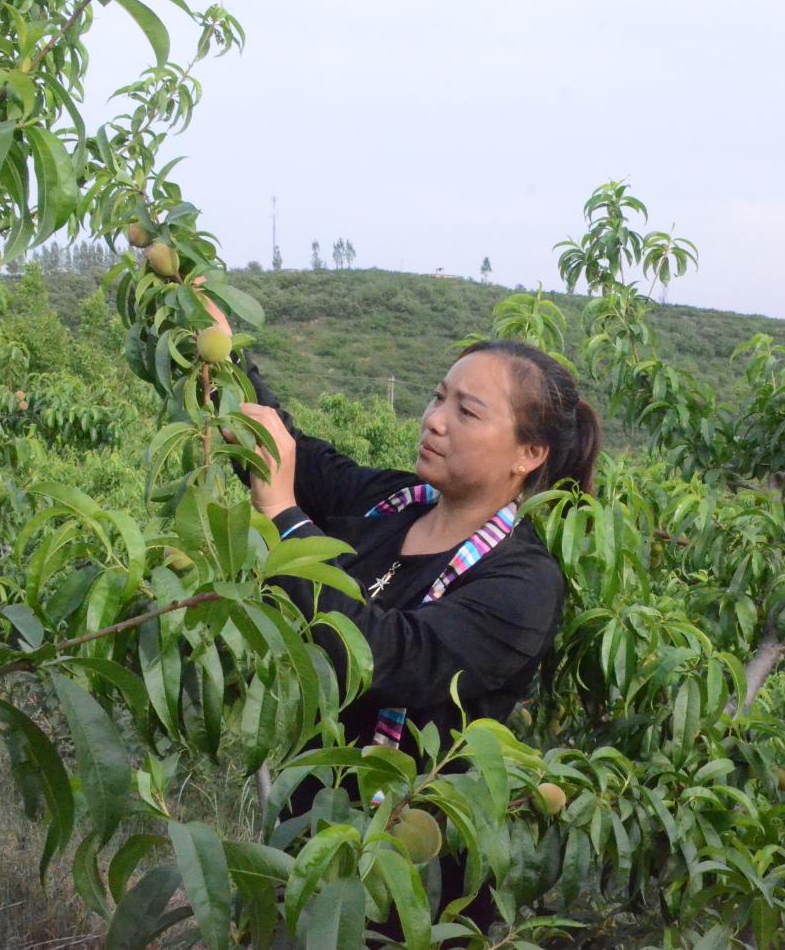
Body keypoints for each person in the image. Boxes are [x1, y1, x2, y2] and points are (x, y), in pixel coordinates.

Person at [201, 297, 601, 935]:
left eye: (466, 412)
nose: (434, 421)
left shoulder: (524, 583)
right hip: (312, 833)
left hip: (401, 883)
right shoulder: (395, 505)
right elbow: (292, 449)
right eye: (438, 397)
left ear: (528, 454)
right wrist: (225, 356)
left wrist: (281, 514)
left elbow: (386, 657)